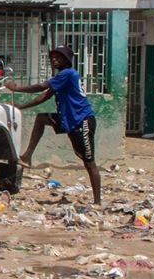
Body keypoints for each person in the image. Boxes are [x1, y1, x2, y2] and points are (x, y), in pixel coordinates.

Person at [7, 45, 101, 206]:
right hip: (68, 120)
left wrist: (17, 88)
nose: (54, 59)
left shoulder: (67, 74)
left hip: (82, 121)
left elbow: (41, 87)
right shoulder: (61, 78)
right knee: (42, 118)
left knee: (89, 162)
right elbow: (43, 97)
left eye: (58, 57)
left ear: (67, 60)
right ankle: (28, 155)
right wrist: (20, 106)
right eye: (53, 57)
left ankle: (97, 201)